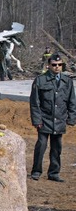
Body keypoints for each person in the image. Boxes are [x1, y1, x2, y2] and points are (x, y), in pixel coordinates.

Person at [30, 53, 76, 182]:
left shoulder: (67, 81)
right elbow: (35, 102)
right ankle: (36, 171)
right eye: (54, 65)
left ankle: (54, 173)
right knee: (41, 145)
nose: (57, 67)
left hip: (59, 119)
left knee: (57, 148)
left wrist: (72, 118)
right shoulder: (40, 80)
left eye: (59, 65)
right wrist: (37, 120)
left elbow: (72, 100)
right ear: (48, 66)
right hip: (44, 119)